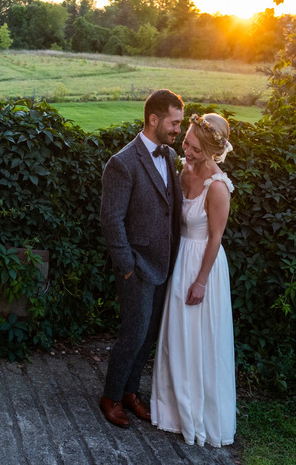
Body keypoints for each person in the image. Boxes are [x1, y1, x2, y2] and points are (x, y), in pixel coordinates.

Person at [99, 89, 184, 428]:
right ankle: (111, 396)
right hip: (137, 266)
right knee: (133, 334)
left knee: (148, 334)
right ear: (154, 119)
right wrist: (127, 267)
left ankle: (131, 392)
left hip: (165, 264)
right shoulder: (122, 162)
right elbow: (111, 219)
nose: (177, 129)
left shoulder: (170, 157)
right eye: (174, 122)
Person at [150, 113, 236, 447]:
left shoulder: (218, 187)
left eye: (196, 149)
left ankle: (199, 413)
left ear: (214, 151)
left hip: (203, 266)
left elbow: (215, 238)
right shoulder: (183, 171)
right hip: (180, 258)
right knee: (176, 336)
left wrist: (200, 282)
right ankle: (170, 409)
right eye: (186, 142)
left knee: (200, 340)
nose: (187, 151)